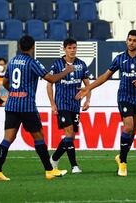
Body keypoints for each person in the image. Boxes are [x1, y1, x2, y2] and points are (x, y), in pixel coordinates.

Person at [75, 30, 136, 177]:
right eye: (129, 40)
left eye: (134, 40)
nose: (131, 42)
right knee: (128, 127)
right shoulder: (120, 58)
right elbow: (105, 76)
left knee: (132, 132)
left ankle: (120, 156)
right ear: (126, 41)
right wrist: (88, 88)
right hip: (124, 97)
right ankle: (123, 163)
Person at [0, 35, 74, 181]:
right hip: (27, 107)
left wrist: (13, 92)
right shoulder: (32, 63)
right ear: (32, 47)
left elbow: (5, 82)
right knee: (39, 137)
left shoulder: (12, 62)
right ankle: (49, 170)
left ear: (19, 47)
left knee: (7, 139)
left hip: (11, 106)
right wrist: (67, 71)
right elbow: (51, 79)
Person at [47, 38, 91, 174]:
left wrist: (87, 100)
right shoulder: (57, 64)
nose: (72, 50)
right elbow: (49, 84)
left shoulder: (81, 64)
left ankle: (54, 158)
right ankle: (74, 166)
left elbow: (88, 85)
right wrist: (53, 104)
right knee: (69, 133)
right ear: (64, 49)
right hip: (62, 104)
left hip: (75, 105)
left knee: (70, 136)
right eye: (70, 48)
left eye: (74, 48)